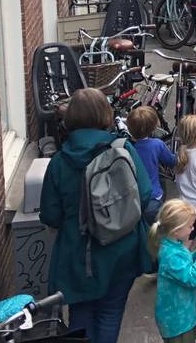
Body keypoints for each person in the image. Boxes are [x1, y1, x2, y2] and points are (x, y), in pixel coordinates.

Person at [40, 89, 152, 343]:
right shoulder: (124, 150)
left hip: (79, 253)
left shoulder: (59, 162)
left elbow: (50, 214)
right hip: (122, 248)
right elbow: (144, 195)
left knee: (81, 315)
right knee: (110, 314)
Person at [150, 199, 196, 343]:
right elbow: (191, 279)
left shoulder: (172, 247)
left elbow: (183, 267)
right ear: (176, 230)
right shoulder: (172, 254)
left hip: (181, 316)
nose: (193, 229)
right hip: (177, 320)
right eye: (190, 226)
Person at [127, 106, 173, 223]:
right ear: (153, 127)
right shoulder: (157, 144)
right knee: (156, 231)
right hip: (154, 197)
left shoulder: (127, 146)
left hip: (134, 199)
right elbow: (171, 161)